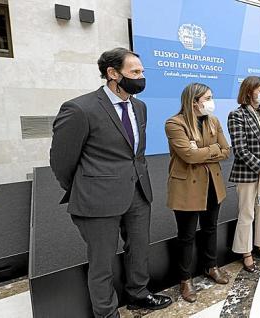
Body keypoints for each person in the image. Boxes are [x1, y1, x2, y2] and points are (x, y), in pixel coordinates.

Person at [50, 48, 172, 318]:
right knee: (102, 262)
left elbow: (134, 152)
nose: (141, 77)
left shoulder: (140, 106)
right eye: (135, 72)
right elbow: (61, 161)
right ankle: (106, 313)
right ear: (113, 74)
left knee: (139, 250)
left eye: (142, 72)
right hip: (97, 198)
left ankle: (139, 295)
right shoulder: (80, 108)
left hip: (138, 193)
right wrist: (85, 186)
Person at [165, 83, 230, 303]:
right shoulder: (175, 123)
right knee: (187, 235)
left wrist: (202, 151)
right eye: (208, 98)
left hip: (212, 183)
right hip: (187, 186)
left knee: (210, 228)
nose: (212, 101)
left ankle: (211, 266)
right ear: (194, 101)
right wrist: (211, 151)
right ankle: (185, 279)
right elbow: (189, 156)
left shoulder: (213, 121)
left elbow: (226, 151)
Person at [228, 76, 260, 272]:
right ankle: (245, 251)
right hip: (249, 174)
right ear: (249, 92)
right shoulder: (237, 115)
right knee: (247, 213)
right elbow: (240, 149)